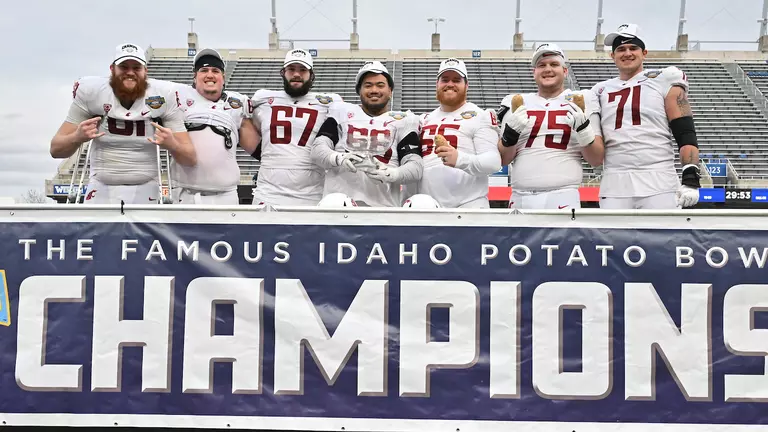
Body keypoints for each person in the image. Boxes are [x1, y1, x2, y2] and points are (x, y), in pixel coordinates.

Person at [50, 43, 196, 204]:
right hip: (101, 184)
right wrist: (76, 137)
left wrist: (173, 145)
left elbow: (190, 158)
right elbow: (56, 150)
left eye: (136, 68)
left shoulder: (164, 95)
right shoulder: (92, 92)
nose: (130, 72)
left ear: (145, 71)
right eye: (124, 67)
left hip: (147, 184)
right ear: (112, 69)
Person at [592, 24, 700, 209]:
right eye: (621, 49)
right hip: (615, 183)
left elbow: (685, 131)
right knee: (614, 229)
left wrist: (690, 176)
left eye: (633, 48)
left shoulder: (663, 78)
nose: (627, 53)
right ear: (612, 55)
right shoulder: (599, 90)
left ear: (644, 53)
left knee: (663, 229)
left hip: (659, 180)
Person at [497, 43, 604, 210]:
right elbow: (504, 159)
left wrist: (584, 131)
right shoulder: (516, 102)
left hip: (564, 195)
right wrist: (509, 137)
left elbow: (596, 159)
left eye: (554, 64)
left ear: (565, 71)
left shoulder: (582, 99)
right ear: (534, 72)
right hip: (521, 196)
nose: (548, 69)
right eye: (541, 65)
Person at [311, 61, 423, 207]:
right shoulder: (341, 112)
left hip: (383, 207)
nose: (374, 90)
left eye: (380, 85)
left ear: (390, 91)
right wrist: (339, 158)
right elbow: (317, 150)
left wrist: (391, 173)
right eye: (368, 85)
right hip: (339, 205)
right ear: (359, 90)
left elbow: (415, 167)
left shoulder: (403, 120)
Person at [250, 49, 342, 206]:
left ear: (311, 75)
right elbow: (249, 126)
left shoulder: (330, 102)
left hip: (312, 194)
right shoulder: (263, 98)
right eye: (291, 69)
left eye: (303, 70)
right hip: (268, 193)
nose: (296, 74)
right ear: (283, 72)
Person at [409, 58, 502, 208]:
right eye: (445, 80)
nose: (450, 84)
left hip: (469, 205)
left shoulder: (480, 116)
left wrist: (460, 159)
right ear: (437, 84)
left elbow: (493, 162)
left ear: (467, 85)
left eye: (456, 80)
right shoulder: (423, 119)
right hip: (429, 206)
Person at [172, 48, 259, 205]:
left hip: (225, 196)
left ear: (223, 78)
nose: (210, 75)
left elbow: (256, 147)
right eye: (204, 70)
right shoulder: (177, 98)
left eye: (215, 71)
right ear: (194, 76)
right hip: (186, 195)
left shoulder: (237, 104)